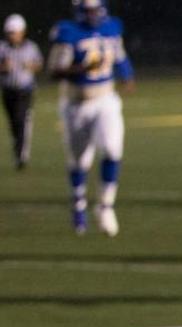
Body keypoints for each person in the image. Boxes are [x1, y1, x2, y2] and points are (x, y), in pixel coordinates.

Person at [47, 0, 134, 237]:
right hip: (76, 103)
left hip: (105, 98)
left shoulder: (112, 27)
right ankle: (78, 203)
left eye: (95, 9)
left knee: (112, 149)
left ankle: (106, 205)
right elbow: (54, 71)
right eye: (88, 10)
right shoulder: (67, 32)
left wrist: (127, 74)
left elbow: (119, 54)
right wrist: (82, 69)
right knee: (79, 160)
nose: (93, 14)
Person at [1, 14, 42, 170]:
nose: (12, 36)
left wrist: (31, 66)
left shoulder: (31, 47)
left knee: (21, 120)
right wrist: (4, 68)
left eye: (15, 32)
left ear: (22, 32)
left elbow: (39, 64)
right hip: (8, 90)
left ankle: (21, 155)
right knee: (13, 123)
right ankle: (18, 151)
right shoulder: (2, 48)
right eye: (10, 33)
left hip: (25, 90)